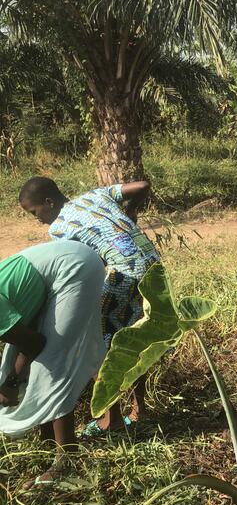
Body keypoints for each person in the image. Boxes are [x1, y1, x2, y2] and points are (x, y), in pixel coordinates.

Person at [18, 177, 160, 436]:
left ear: (49, 202)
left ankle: (112, 417)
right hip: (152, 265)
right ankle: (139, 410)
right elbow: (141, 186)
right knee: (137, 338)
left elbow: (79, 267)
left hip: (123, 275)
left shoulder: (60, 228)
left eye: (35, 212)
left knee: (97, 344)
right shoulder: (95, 195)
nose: (36, 218)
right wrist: (130, 211)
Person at [0, 240, 107, 484]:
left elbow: (34, 343)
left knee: (51, 365)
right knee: (11, 361)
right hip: (54, 272)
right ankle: (47, 441)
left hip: (75, 267)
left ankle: (66, 460)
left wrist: (11, 383)